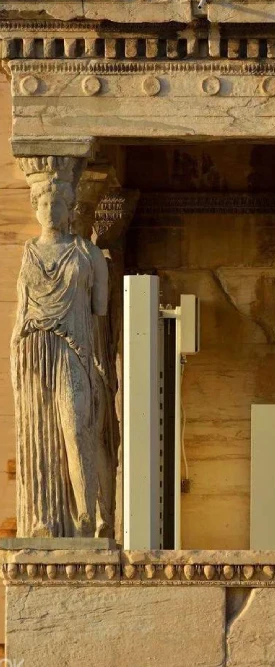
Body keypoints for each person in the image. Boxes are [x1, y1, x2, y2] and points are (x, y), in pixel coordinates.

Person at [12, 168, 109, 537]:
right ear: (35, 208)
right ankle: (46, 520)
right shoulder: (26, 253)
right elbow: (22, 309)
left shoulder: (88, 254)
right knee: (40, 433)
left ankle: (88, 518)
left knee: (75, 425)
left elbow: (100, 309)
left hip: (74, 347)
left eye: (58, 203)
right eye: (44, 203)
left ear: (70, 208)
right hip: (33, 349)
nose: (51, 210)